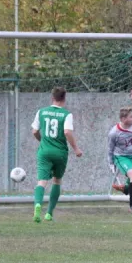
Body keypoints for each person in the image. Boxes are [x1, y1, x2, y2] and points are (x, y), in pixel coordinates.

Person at [31, 87, 82, 223]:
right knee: (57, 180)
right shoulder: (66, 114)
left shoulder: (41, 112)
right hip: (60, 152)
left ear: (52, 98)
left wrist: (42, 141)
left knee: (42, 181)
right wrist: (76, 148)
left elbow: (34, 131)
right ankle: (49, 213)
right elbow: (67, 132)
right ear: (64, 98)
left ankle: (37, 204)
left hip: (44, 151)